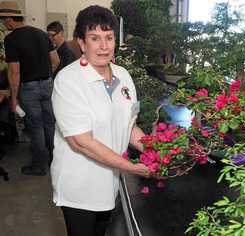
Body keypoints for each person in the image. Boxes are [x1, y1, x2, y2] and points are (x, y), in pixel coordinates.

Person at [51, 5, 150, 236]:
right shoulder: (68, 81)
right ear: (82, 43)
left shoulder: (123, 76)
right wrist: (132, 167)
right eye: (95, 38)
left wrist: (158, 150)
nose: (104, 46)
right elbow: (81, 142)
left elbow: (129, 125)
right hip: (79, 186)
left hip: (110, 181)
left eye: (109, 37)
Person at [0, 1, 60, 175]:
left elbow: (14, 72)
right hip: (48, 84)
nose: (4, 24)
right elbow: (56, 61)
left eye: (4, 20)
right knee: (50, 124)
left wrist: (13, 98)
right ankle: (55, 160)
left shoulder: (11, 39)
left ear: (10, 19)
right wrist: (47, 76)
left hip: (29, 88)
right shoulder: (42, 34)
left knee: (36, 127)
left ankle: (39, 166)